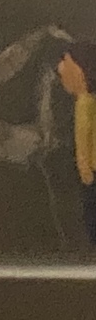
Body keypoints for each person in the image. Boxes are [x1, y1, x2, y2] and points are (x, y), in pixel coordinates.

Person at [58, 41, 96, 246]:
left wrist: (84, 168)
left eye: (66, 63)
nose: (61, 70)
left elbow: (83, 138)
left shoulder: (85, 103)